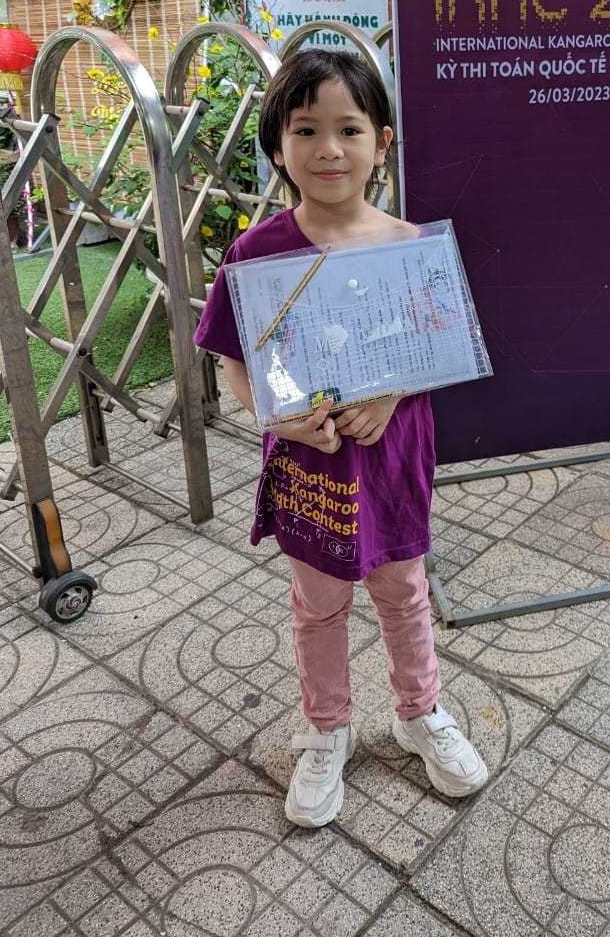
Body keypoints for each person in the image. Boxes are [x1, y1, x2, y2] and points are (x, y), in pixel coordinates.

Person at [194, 48, 487, 828]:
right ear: (277, 145)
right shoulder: (256, 254)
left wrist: (392, 392)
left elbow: (438, 348)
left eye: (349, 129)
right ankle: (327, 729)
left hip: (392, 462)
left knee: (404, 593)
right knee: (318, 603)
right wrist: (272, 414)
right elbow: (234, 359)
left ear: (381, 142)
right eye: (305, 129)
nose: (328, 149)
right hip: (308, 467)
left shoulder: (411, 245)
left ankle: (419, 711)